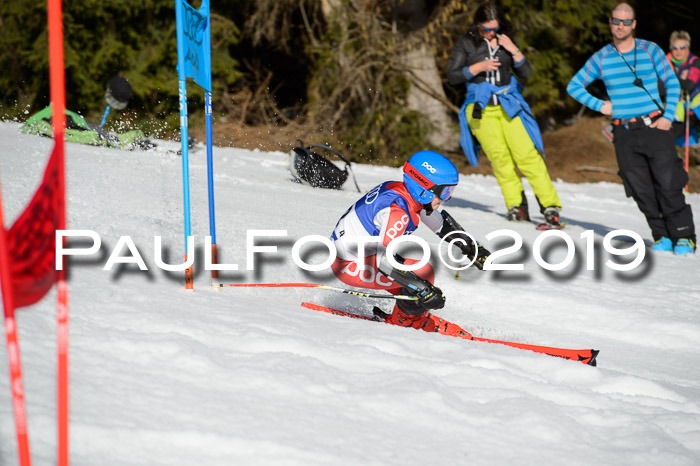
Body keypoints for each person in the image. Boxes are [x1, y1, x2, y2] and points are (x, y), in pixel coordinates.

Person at [567, 3, 696, 256]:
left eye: (626, 22)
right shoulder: (602, 57)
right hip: (623, 132)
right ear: (610, 22)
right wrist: (600, 105)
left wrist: (668, 116)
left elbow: (671, 82)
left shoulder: (650, 50)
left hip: (655, 125)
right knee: (639, 188)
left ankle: (683, 235)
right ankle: (660, 235)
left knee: (668, 182)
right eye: (616, 21)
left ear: (634, 24)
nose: (621, 26)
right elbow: (574, 86)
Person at [329, 150, 490, 338]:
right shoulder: (398, 213)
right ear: (423, 188)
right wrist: (423, 289)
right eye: (444, 192)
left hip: (358, 256)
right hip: (349, 266)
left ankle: (409, 314)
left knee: (416, 278)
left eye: (450, 192)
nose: (446, 199)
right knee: (423, 272)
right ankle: (406, 322)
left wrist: (473, 248)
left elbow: (440, 224)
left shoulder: (405, 193)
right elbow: (385, 262)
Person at [446, 1, 562, 227]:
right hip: (480, 109)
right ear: (477, 25)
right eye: (485, 29)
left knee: (528, 156)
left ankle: (550, 206)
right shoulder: (466, 42)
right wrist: (477, 68)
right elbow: (452, 76)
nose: (490, 33)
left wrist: (513, 49)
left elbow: (526, 73)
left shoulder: (505, 41)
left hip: (509, 104)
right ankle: (516, 206)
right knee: (500, 160)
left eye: (494, 29)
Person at [666, 30, 700, 142]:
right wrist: (679, 79)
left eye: (682, 48)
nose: (678, 51)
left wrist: (673, 78)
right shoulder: (666, 63)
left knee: (667, 138)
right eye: (675, 48)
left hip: (695, 109)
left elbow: (688, 85)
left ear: (688, 48)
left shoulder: (695, 62)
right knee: (664, 137)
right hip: (680, 110)